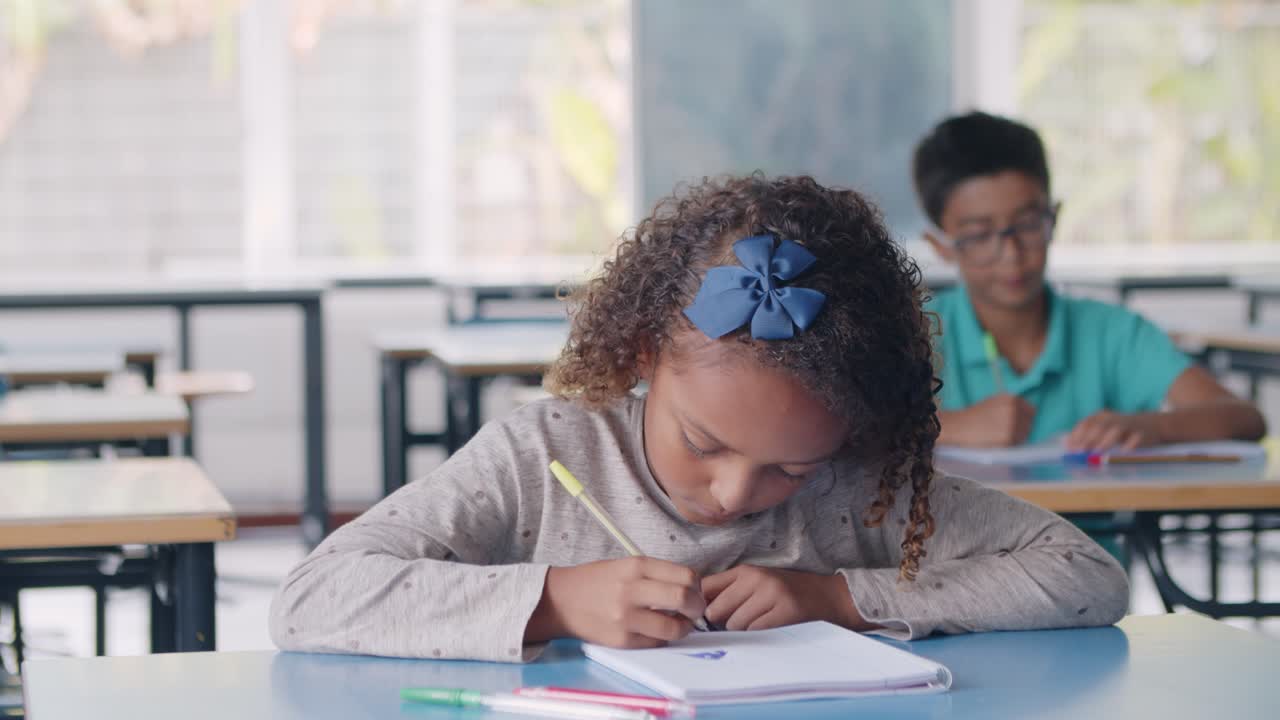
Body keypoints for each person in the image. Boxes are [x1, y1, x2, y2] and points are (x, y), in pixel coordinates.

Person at [270, 174, 1128, 662]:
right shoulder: (542, 459)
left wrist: (842, 597)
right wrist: (554, 603)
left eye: (788, 469)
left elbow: (1086, 577)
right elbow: (310, 600)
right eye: (704, 443)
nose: (732, 493)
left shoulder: (855, 486)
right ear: (643, 351)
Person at [915, 112, 1266, 451]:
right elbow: (859, 436)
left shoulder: (1111, 333)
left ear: (1055, 218)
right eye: (979, 236)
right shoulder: (913, 333)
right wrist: (951, 426)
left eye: (1028, 225)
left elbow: (1245, 419)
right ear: (941, 247)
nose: (1011, 253)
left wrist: (1153, 426)